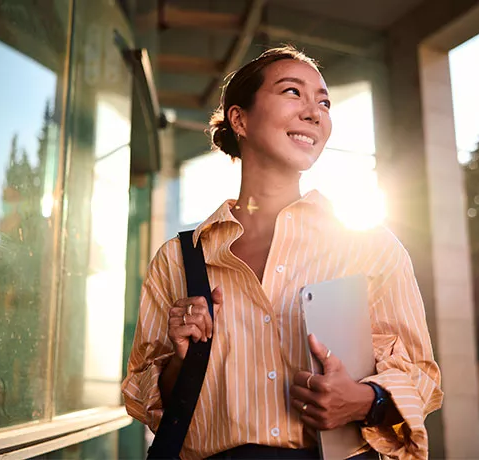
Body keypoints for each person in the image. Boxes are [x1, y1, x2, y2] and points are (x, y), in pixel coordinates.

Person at [122, 46, 442, 460]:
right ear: (240, 119)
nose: (315, 112)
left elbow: (421, 376)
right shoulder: (178, 259)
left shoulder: (369, 246)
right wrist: (184, 359)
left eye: (324, 102)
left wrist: (365, 400)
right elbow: (147, 401)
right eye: (293, 92)